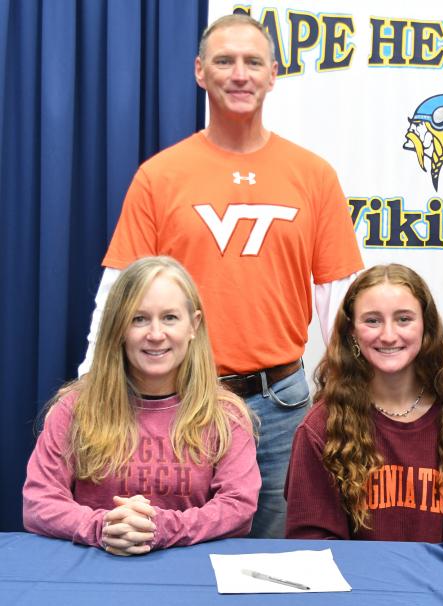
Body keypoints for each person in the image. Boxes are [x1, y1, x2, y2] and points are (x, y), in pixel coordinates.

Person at [78, 14, 363, 538]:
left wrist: (359, 394)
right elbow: (118, 295)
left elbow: (341, 301)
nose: (239, 74)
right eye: (224, 61)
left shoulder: (314, 175)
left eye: (253, 61)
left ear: (273, 74)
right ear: (199, 72)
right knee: (177, 560)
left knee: (277, 567)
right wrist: (89, 385)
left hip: (284, 405)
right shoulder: (159, 176)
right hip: (182, 407)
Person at [24, 257, 260, 555]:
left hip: (192, 578)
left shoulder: (227, 415)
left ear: (193, 325)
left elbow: (238, 507)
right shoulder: (73, 410)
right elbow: (38, 502)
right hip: (95, 574)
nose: (156, 334)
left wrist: (160, 528)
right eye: (139, 319)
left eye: (170, 318)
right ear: (118, 328)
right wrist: (102, 528)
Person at [285, 264, 443, 543]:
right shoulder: (320, 428)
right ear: (351, 331)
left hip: (442, 585)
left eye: (403, 319)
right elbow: (313, 549)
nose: (388, 335)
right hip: (358, 586)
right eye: (372, 320)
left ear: (427, 327)